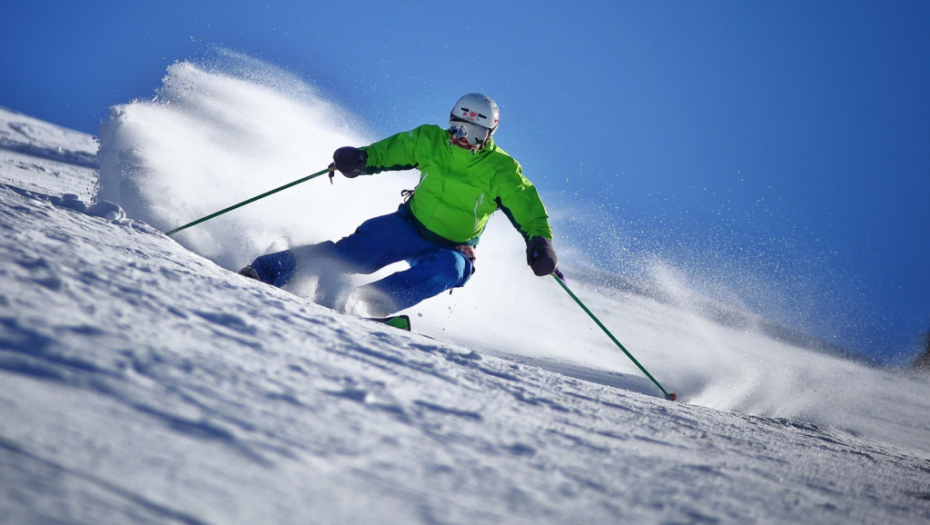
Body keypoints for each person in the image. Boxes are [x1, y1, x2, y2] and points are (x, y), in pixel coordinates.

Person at [238, 93, 558, 317]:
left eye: (472, 132)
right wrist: (361, 159)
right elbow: (392, 151)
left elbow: (526, 205)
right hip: (407, 226)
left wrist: (540, 242)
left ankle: (366, 304)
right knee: (349, 255)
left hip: (452, 248)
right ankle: (264, 271)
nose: (461, 137)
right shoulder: (430, 140)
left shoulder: (500, 170)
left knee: (450, 269)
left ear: (488, 134)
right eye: (457, 126)